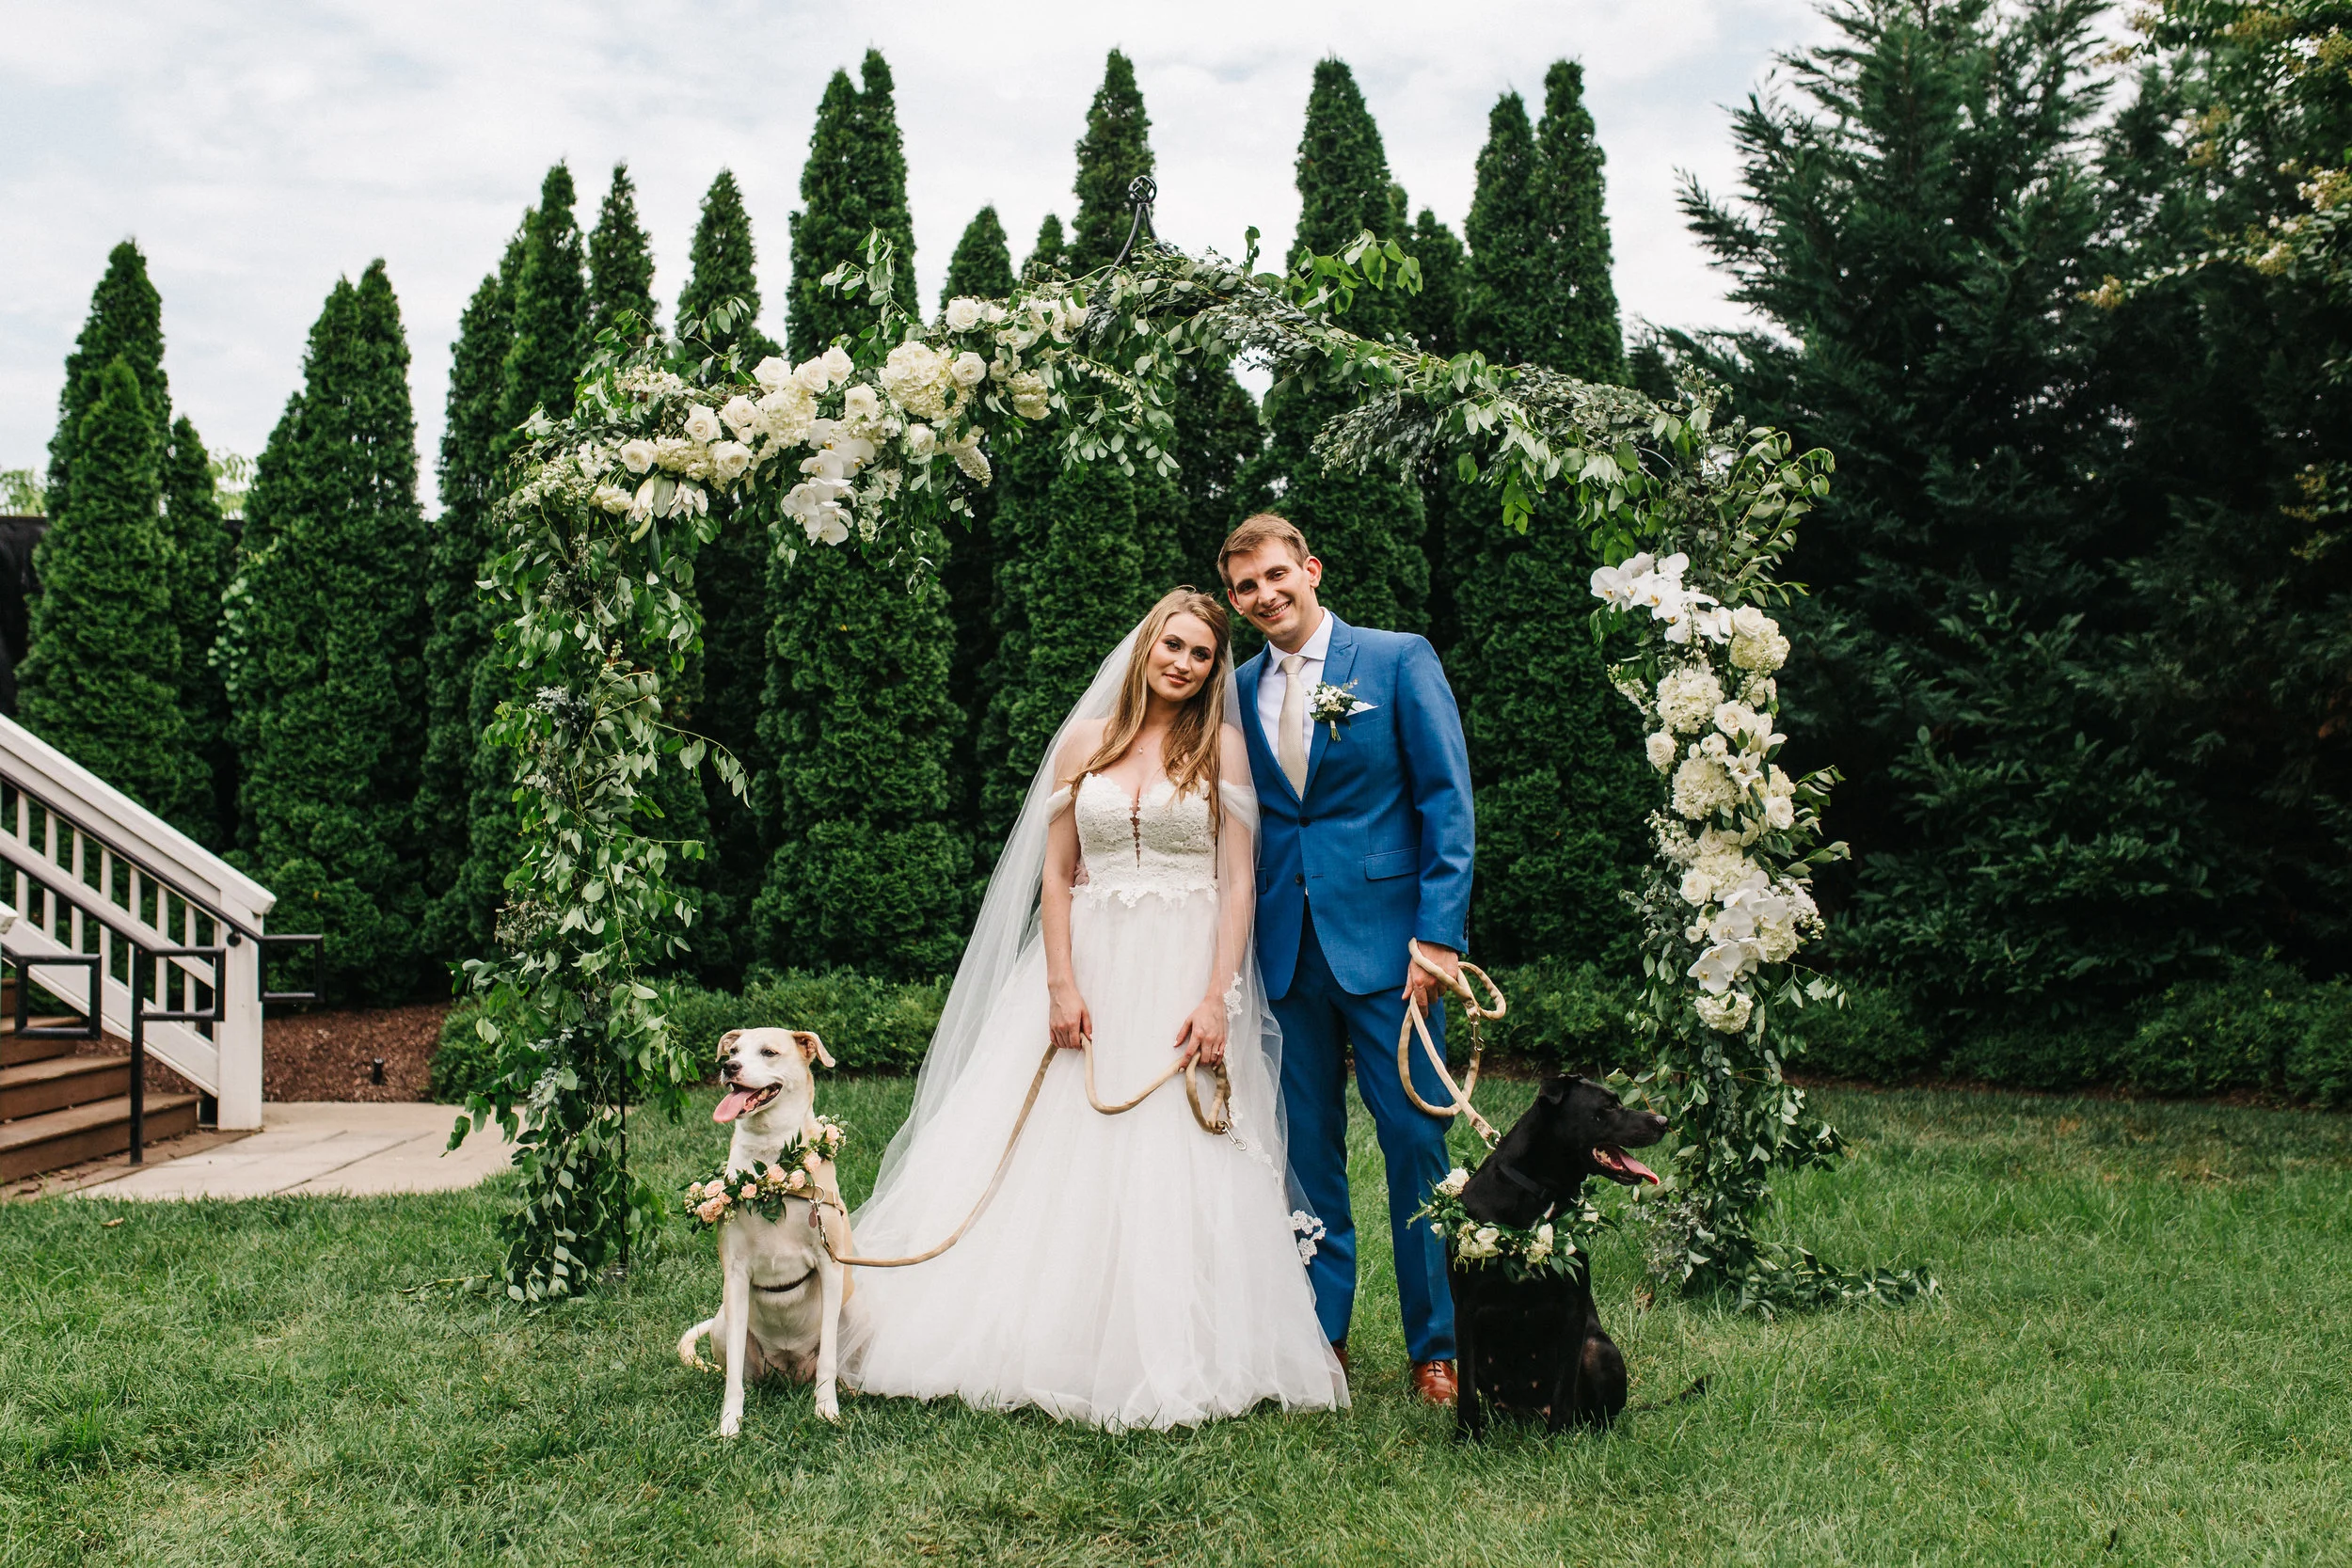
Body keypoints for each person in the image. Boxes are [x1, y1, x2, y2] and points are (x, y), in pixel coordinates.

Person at [841, 589, 1346, 1431]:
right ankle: (1043, 1331)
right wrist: (1061, 985)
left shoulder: (1221, 748)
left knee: (1180, 1154)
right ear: (1148, 644)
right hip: (1092, 965)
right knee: (1059, 1151)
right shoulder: (1085, 740)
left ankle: (1179, 1339)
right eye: (1173, 646)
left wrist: (1218, 998)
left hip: (1187, 961)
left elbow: (1237, 881)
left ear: (1215, 668)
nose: (1183, 664)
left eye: (1202, 655)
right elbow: (1054, 873)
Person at [1221, 514, 1475, 1407]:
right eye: (1246, 587)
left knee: (1415, 1143)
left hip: (1393, 955)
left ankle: (1436, 1344)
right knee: (1305, 1155)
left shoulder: (1399, 660)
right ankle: (1320, 1336)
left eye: (1277, 576)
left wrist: (1439, 936)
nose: (1265, 596)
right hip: (1285, 955)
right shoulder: (1237, 687)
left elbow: (1447, 798)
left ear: (1311, 569)